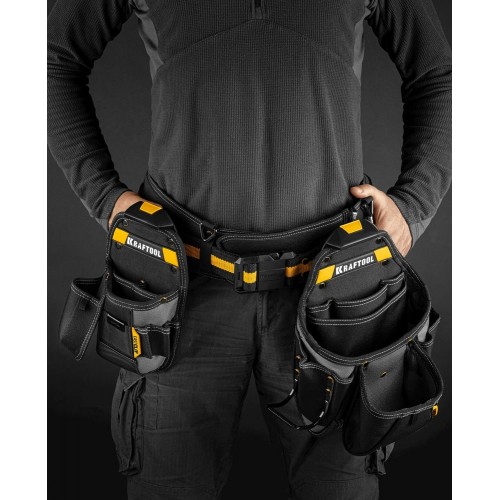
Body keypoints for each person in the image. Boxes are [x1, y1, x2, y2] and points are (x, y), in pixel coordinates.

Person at [47, 0, 451, 498]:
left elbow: (437, 73)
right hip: (180, 299)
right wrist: (105, 199)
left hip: (336, 306)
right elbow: (52, 57)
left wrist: (413, 207)